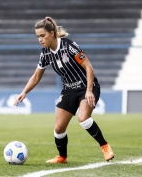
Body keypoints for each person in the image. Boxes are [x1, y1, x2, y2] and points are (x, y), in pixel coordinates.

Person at [14, 16, 114, 163]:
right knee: (59, 128)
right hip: (69, 90)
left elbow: (89, 68)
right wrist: (24, 92)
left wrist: (89, 90)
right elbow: (36, 77)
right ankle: (62, 157)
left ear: (52, 33)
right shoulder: (45, 53)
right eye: (37, 37)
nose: (40, 40)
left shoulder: (68, 46)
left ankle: (105, 146)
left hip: (86, 86)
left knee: (83, 118)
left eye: (43, 36)